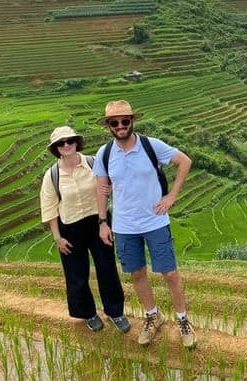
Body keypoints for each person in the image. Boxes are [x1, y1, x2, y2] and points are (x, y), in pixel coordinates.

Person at [92, 100, 196, 348]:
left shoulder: (151, 145)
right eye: (114, 122)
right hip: (124, 226)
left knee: (170, 273)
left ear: (132, 122)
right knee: (137, 273)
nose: (120, 126)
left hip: (155, 221)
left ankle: (183, 320)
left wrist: (171, 196)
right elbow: (101, 189)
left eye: (124, 121)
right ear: (108, 126)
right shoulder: (104, 153)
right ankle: (153, 316)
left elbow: (185, 161)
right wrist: (103, 222)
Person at [39, 126, 130, 334]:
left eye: (69, 141)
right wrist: (58, 238)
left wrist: (108, 198)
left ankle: (115, 312)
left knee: (107, 268)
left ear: (76, 142)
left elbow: (110, 184)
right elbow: (50, 209)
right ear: (55, 148)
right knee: (76, 274)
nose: (66, 145)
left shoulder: (93, 163)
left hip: (98, 222)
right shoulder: (52, 175)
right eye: (61, 143)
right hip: (69, 227)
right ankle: (88, 314)